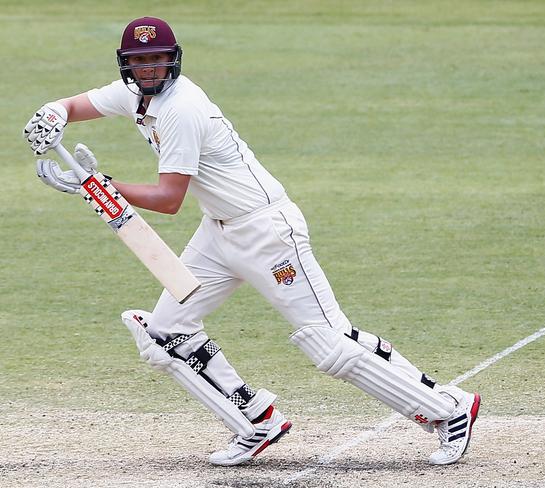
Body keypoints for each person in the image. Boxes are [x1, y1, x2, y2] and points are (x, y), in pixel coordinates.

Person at [24, 16, 480, 466]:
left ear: (172, 60)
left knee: (328, 343)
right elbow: (75, 105)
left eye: (158, 59)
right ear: (127, 64)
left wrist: (98, 184)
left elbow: (168, 200)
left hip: (267, 232)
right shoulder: (131, 94)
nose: (150, 68)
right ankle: (255, 420)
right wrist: (52, 113)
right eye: (140, 60)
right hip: (218, 233)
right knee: (165, 333)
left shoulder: (182, 108)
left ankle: (449, 410)